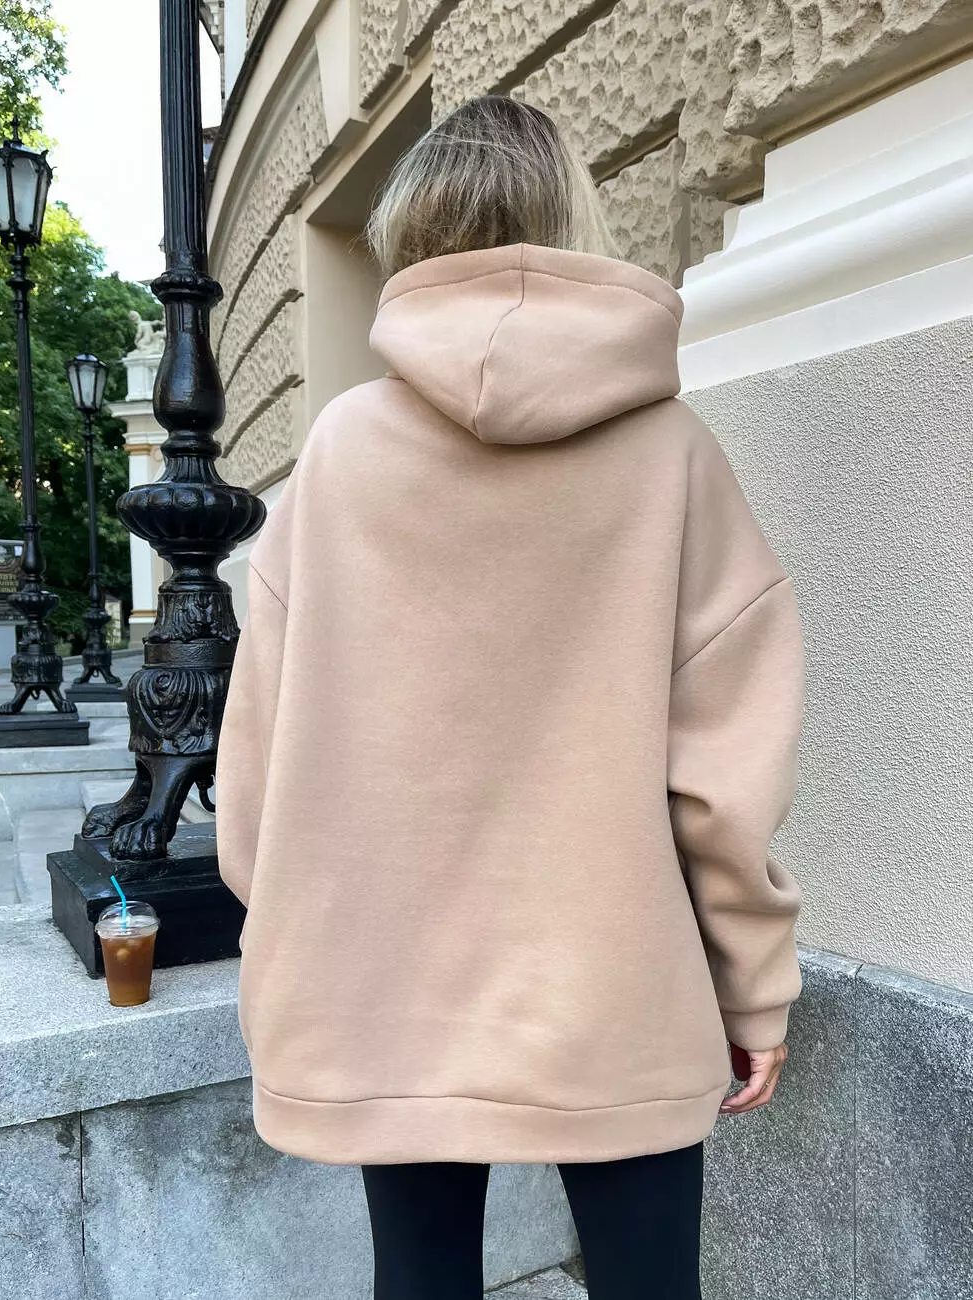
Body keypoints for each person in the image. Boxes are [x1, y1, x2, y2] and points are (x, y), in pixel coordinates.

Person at [216, 95, 804, 1300]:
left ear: (412, 229)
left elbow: (261, 758)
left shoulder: (340, 452)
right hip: (618, 985)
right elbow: (725, 776)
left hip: (384, 979)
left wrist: (289, 939)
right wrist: (754, 981)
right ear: (571, 220)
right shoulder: (672, 453)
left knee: (419, 1276)